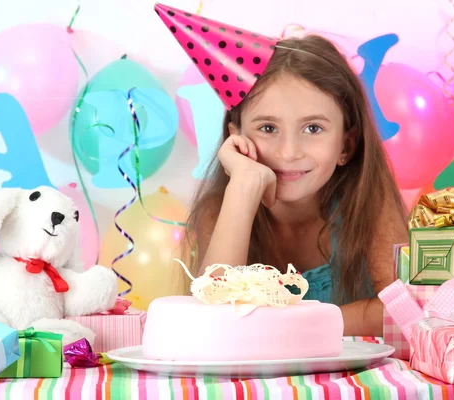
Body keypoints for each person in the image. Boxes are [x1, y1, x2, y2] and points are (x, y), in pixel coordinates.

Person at [156, 3, 408, 336]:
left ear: (346, 146)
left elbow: (402, 312)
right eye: (268, 129)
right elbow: (211, 321)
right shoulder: (222, 211)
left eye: (313, 129)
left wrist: (284, 326)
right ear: (237, 137)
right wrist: (244, 187)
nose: (289, 153)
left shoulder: (369, 205)